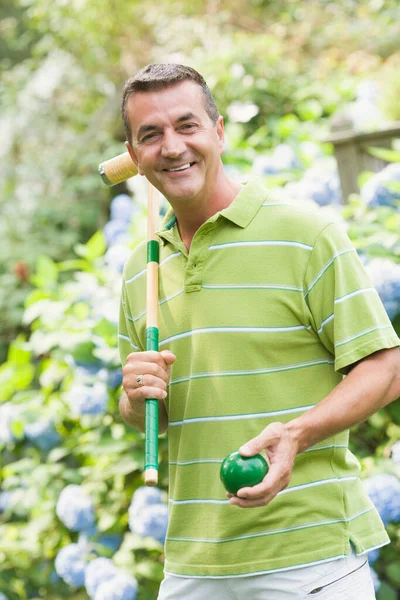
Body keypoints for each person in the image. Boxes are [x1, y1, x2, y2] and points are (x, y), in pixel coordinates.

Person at [117, 63, 400, 599]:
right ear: (134, 157)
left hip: (310, 561)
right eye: (150, 135)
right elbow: (144, 413)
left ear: (219, 130)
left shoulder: (305, 234)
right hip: (194, 565)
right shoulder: (142, 270)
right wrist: (135, 398)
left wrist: (297, 435)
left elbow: (386, 368)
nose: (172, 146)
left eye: (187, 125)